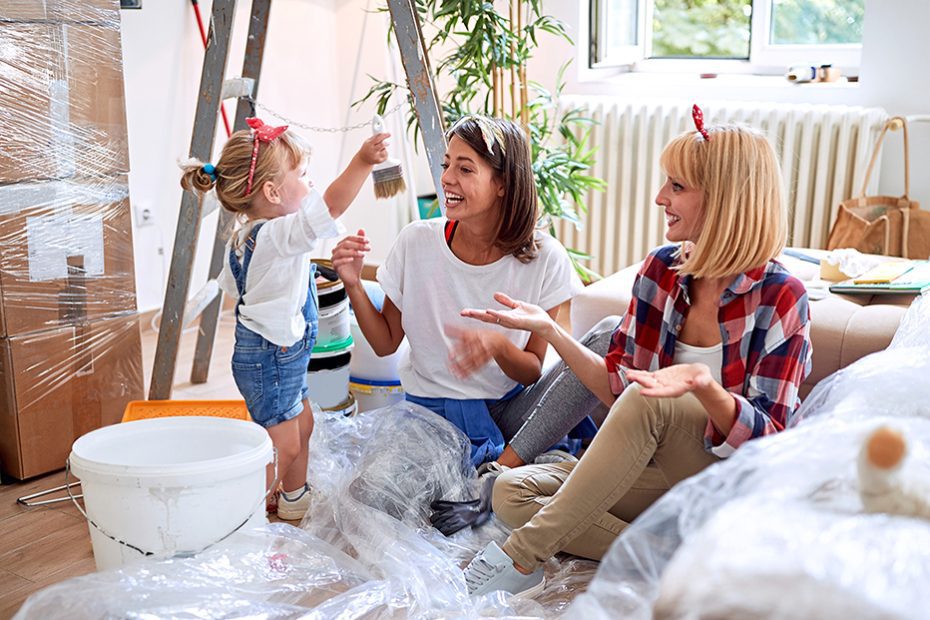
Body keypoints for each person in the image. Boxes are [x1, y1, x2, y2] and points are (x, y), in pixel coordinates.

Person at [460, 109, 813, 596]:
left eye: (677, 186)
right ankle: (677, 561)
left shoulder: (780, 296)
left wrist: (703, 388)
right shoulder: (661, 272)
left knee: (654, 399)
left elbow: (769, 443)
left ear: (726, 200)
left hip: (731, 486)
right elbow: (618, 388)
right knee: (509, 492)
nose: (659, 198)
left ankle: (521, 555)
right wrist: (553, 332)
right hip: (660, 473)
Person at [332, 116, 602, 515]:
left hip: (509, 416)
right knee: (372, 499)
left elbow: (530, 372)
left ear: (503, 184)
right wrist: (353, 284)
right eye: (445, 165)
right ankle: (501, 483)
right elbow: (386, 341)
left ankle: (502, 469)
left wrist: (495, 344)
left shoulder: (545, 257)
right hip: (428, 419)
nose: (447, 179)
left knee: (606, 339)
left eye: (465, 168)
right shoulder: (416, 242)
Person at [180, 117, 389, 521]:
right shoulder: (275, 237)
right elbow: (328, 207)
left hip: (278, 357)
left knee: (304, 424)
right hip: (269, 359)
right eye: (304, 176)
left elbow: (246, 286)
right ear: (273, 192)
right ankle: (235, 516)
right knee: (284, 444)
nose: (310, 184)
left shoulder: (253, 236)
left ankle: (293, 498)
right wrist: (363, 160)